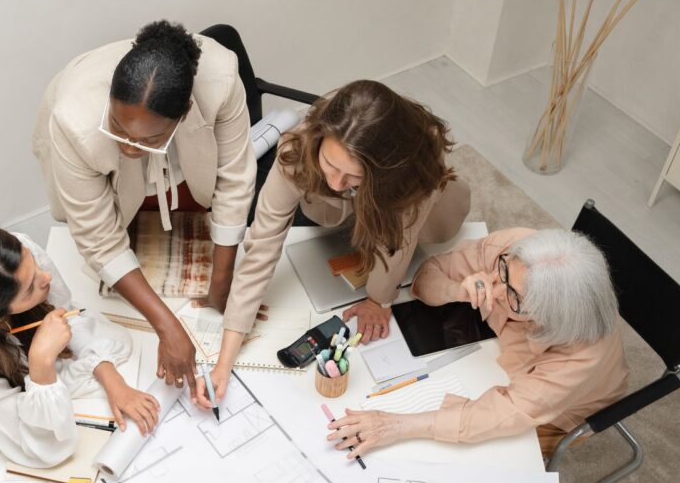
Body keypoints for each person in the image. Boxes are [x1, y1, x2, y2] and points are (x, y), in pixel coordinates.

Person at [195, 79, 472, 408]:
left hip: (417, 208)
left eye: (353, 176)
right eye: (330, 165)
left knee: (430, 235)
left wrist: (378, 300)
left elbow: (400, 240)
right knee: (324, 219)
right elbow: (263, 245)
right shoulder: (297, 148)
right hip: (341, 210)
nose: (337, 183)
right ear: (318, 142)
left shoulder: (411, 167)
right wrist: (223, 365)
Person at [33, 20, 256, 395]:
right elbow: (99, 236)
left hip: (184, 182)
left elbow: (234, 180)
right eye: (118, 128)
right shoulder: (73, 119)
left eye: (147, 138)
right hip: (98, 177)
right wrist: (169, 327)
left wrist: (220, 282)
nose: (129, 148)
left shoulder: (222, 80)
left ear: (183, 112)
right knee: (115, 255)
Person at [325, 228, 630, 460]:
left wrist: (394, 425)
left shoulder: (582, 355)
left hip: (563, 410)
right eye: (501, 272)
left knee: (481, 460)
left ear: (546, 316)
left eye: (511, 295)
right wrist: (457, 289)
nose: (492, 288)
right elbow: (426, 278)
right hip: (496, 356)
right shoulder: (517, 253)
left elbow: (501, 414)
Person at [0, 229, 161, 483]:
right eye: (29, 289)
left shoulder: (19, 255)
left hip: (29, 396)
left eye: (35, 264)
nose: (46, 276)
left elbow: (70, 316)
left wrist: (110, 376)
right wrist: (40, 367)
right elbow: (46, 448)